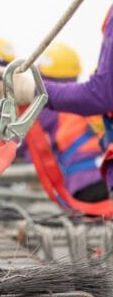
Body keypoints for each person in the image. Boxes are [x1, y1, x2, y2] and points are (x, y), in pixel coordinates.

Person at [37, 43, 107, 202]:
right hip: (105, 176)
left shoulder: (47, 109)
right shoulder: (85, 100)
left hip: (83, 183)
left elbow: (27, 145)